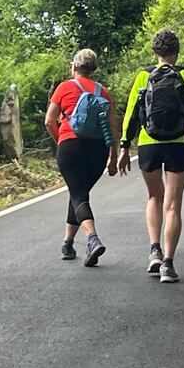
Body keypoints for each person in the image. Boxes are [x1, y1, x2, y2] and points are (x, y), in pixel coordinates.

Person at [117, 29, 184, 283]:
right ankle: (168, 263)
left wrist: (125, 147)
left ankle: (154, 251)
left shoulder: (144, 76)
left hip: (148, 143)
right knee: (173, 204)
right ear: (176, 53)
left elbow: (132, 114)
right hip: (178, 144)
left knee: (154, 197)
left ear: (154, 53)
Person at [45, 48, 119, 266]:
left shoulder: (64, 87)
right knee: (78, 192)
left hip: (71, 146)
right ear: (93, 69)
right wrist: (113, 157)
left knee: (78, 195)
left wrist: (61, 141)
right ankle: (67, 244)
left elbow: (49, 120)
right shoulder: (103, 91)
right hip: (98, 150)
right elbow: (113, 128)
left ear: (74, 66)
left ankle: (92, 239)